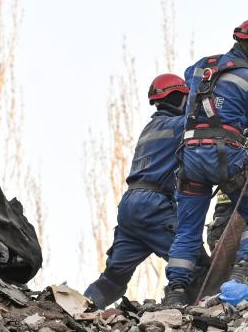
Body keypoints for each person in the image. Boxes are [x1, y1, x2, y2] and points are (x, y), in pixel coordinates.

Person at [163, 19, 248, 306]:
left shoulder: (201, 67)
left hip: (190, 155)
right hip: (227, 155)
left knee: (188, 227)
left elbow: (191, 78)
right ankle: (240, 275)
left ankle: (175, 291)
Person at [84, 74, 198, 309]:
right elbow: (203, 124)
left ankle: (80, 309)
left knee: (114, 276)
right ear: (178, 97)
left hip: (129, 206)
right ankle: (193, 305)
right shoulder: (177, 125)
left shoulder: (149, 129)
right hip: (153, 205)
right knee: (191, 257)